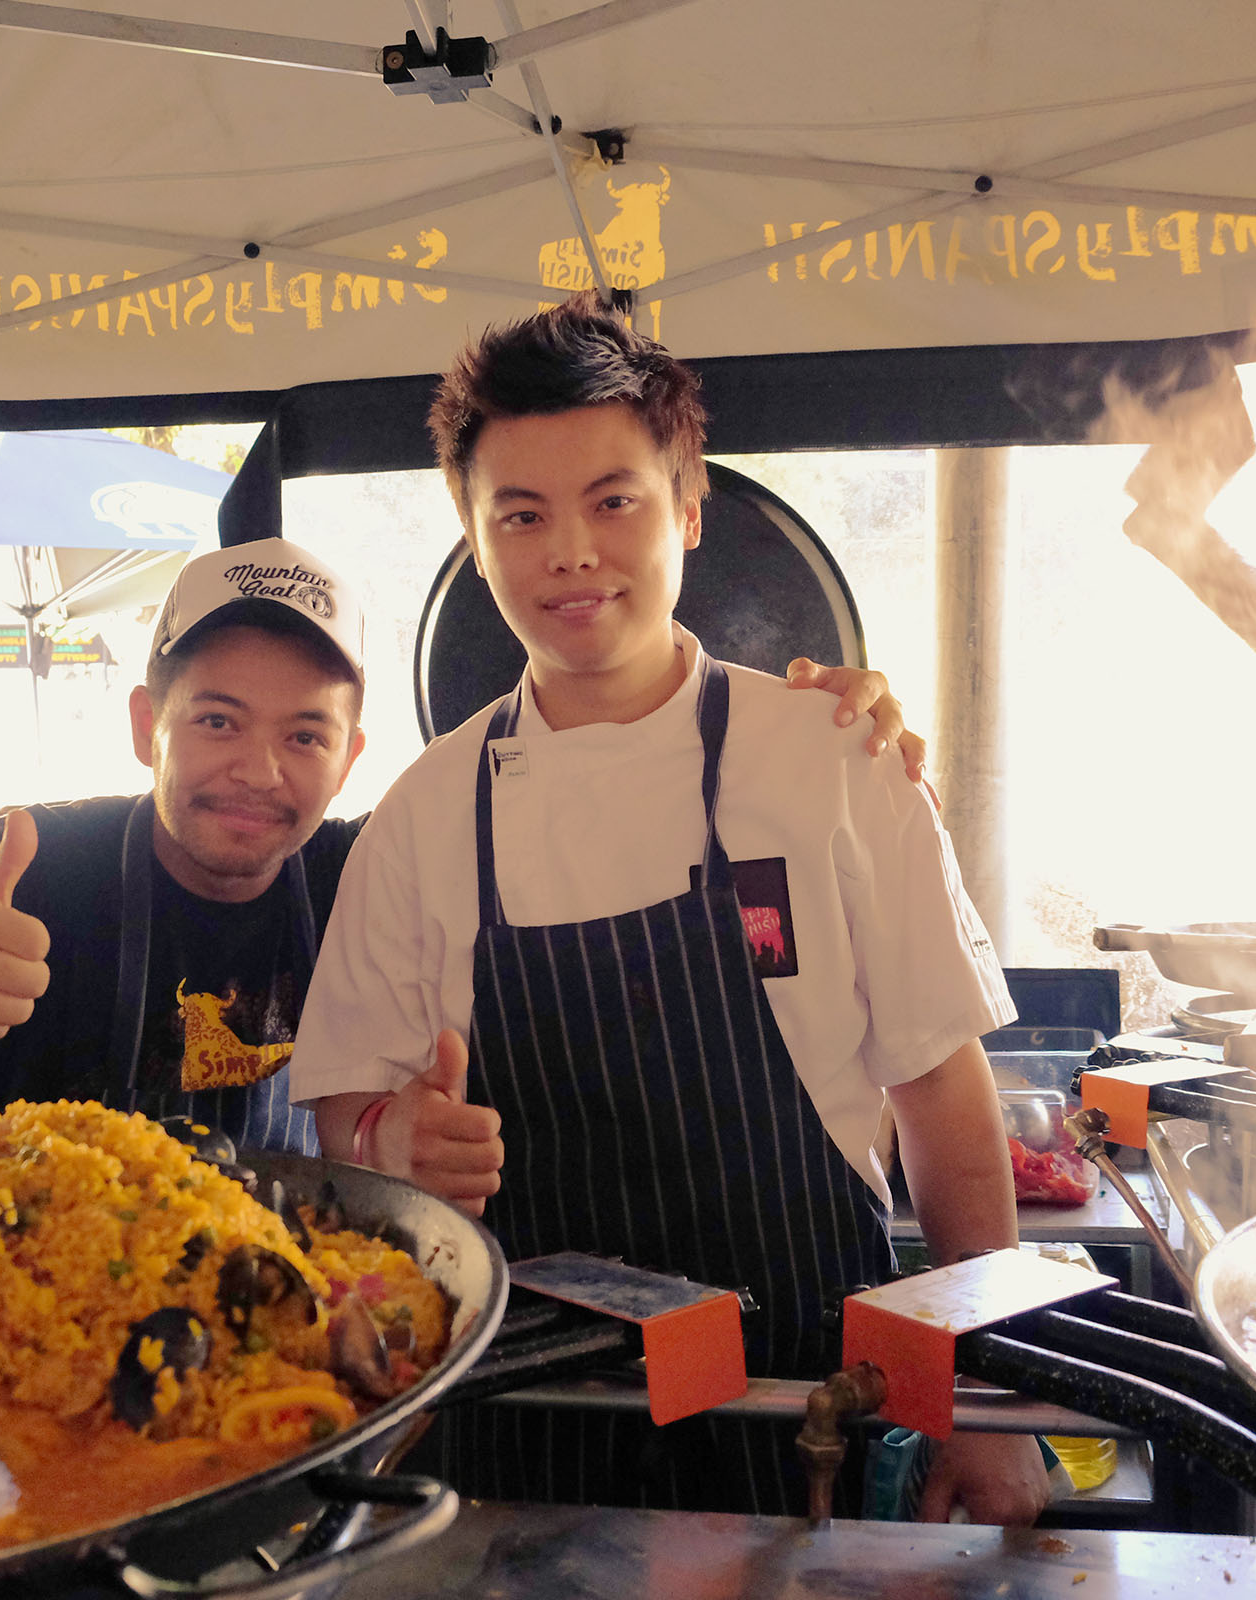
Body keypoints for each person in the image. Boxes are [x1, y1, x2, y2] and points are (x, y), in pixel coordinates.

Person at [287, 294, 1044, 1523]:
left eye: (614, 501)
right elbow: (345, 1122)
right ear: (473, 538)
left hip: (804, 1411)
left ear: (688, 510)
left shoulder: (835, 757)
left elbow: (941, 1090)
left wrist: (988, 1395)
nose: (570, 552)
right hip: (530, 1436)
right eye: (520, 515)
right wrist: (390, 1146)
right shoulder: (422, 816)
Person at [0, 539, 920, 1148]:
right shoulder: (42, 861)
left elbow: (612, 813)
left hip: (293, 1345)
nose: (259, 771)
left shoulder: (379, 866)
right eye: (217, 721)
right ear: (145, 723)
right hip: (30, 1330)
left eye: (304, 735)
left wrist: (812, 737)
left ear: (352, 755)